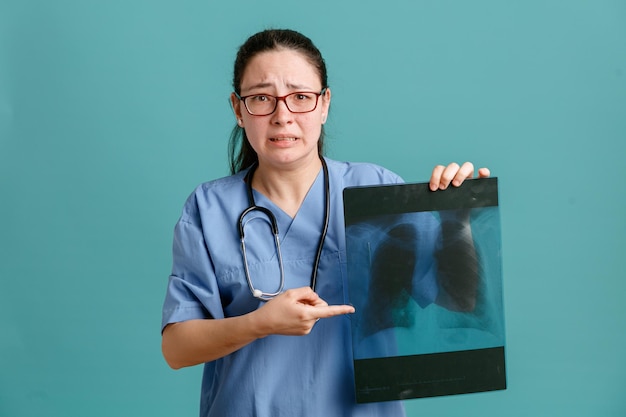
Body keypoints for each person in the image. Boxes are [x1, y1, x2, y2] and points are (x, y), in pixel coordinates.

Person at [161, 28, 490, 417]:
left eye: (300, 97)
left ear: (324, 104)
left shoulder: (378, 192)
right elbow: (177, 348)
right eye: (262, 99)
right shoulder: (209, 208)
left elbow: (459, 299)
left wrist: (457, 222)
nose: (282, 116)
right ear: (238, 109)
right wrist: (259, 322)